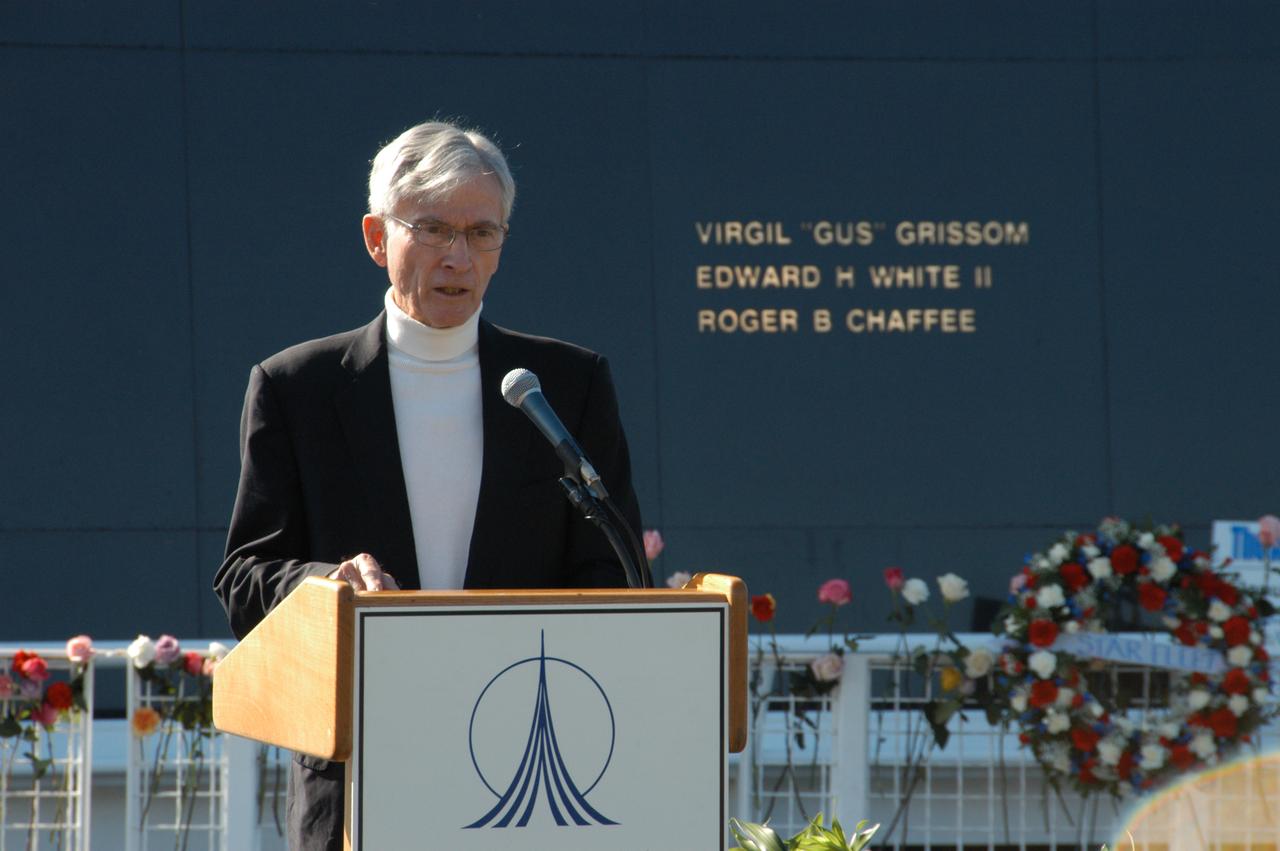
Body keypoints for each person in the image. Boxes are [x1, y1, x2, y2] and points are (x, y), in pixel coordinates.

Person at [213, 120, 645, 850]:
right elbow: (244, 576)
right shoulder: (297, 389)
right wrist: (329, 583)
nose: (458, 256)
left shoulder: (561, 388)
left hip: (532, 778)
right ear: (377, 238)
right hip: (359, 770)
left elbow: (613, 565)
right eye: (435, 228)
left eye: (483, 233)